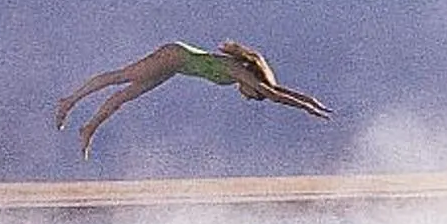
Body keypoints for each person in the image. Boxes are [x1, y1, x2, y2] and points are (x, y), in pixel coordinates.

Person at [53, 40, 332, 157]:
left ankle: (89, 128)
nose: (247, 97)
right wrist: (308, 109)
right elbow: (275, 95)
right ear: (254, 86)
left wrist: (314, 103)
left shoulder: (248, 79)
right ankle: (69, 101)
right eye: (252, 96)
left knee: (126, 96)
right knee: (120, 78)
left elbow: (279, 91)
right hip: (175, 56)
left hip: (176, 66)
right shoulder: (239, 72)